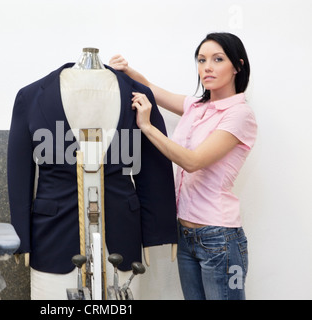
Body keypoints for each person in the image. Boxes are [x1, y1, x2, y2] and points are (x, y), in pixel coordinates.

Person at [109, 32, 257, 300]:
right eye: (201, 60)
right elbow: (151, 89)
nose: (207, 67)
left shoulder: (240, 115)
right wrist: (128, 71)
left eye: (217, 59)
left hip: (219, 239)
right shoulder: (196, 107)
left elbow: (193, 161)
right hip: (186, 236)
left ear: (237, 66)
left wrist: (147, 127)